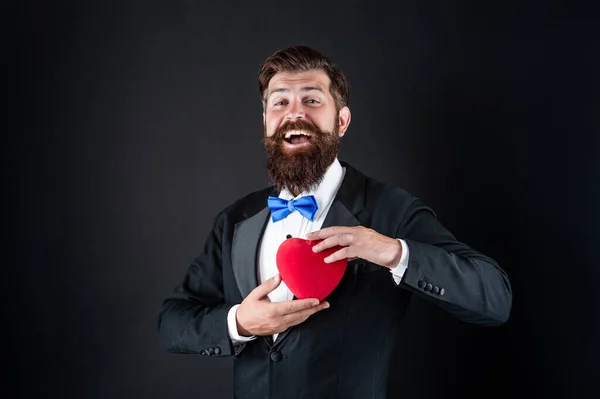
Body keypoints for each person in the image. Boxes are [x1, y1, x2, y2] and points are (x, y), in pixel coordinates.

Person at [157, 45, 512, 399]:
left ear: (341, 121)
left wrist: (392, 252)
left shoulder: (390, 210)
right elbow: (172, 323)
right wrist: (239, 323)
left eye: (311, 100)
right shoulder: (235, 219)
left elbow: (494, 299)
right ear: (265, 121)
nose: (294, 113)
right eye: (280, 102)